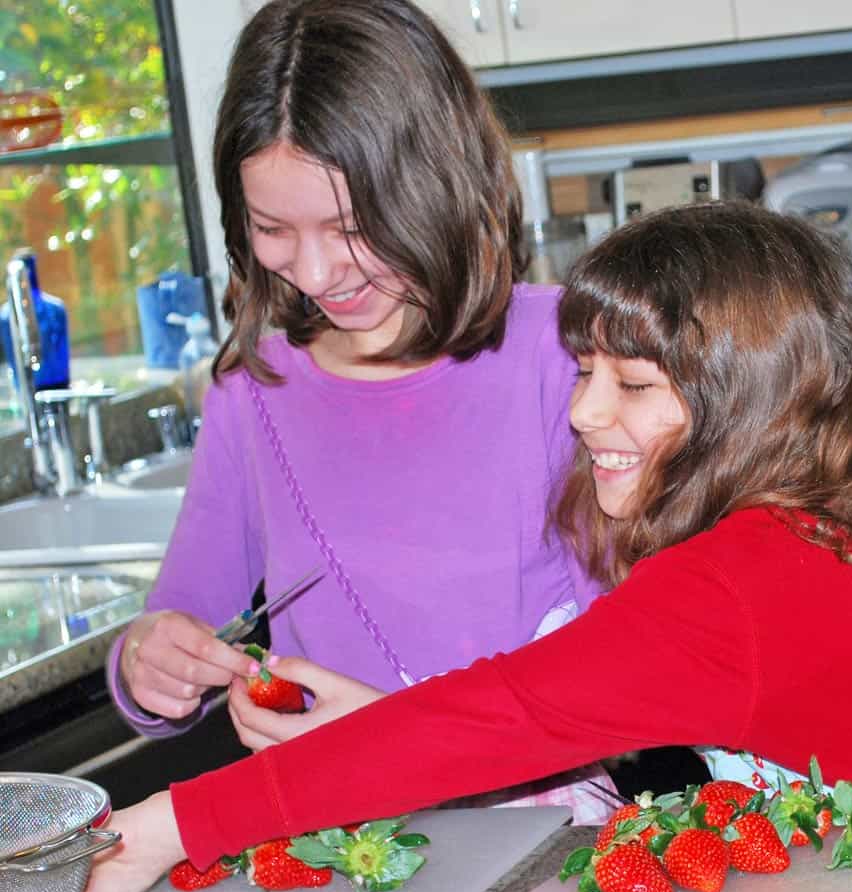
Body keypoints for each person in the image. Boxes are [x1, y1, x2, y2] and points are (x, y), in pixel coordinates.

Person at [84, 202, 852, 892]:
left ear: (754, 406)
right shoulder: (787, 541)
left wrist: (160, 830)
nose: (583, 411)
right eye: (584, 371)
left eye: (632, 384)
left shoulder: (732, 587)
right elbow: (512, 715)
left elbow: (502, 713)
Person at [106, 0, 617, 820]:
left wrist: (405, 737)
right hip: (335, 843)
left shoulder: (570, 360)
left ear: (435, 184)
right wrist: (150, 660)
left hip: (541, 835)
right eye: (273, 228)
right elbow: (183, 625)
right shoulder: (252, 390)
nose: (314, 273)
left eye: (350, 227)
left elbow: (631, 672)